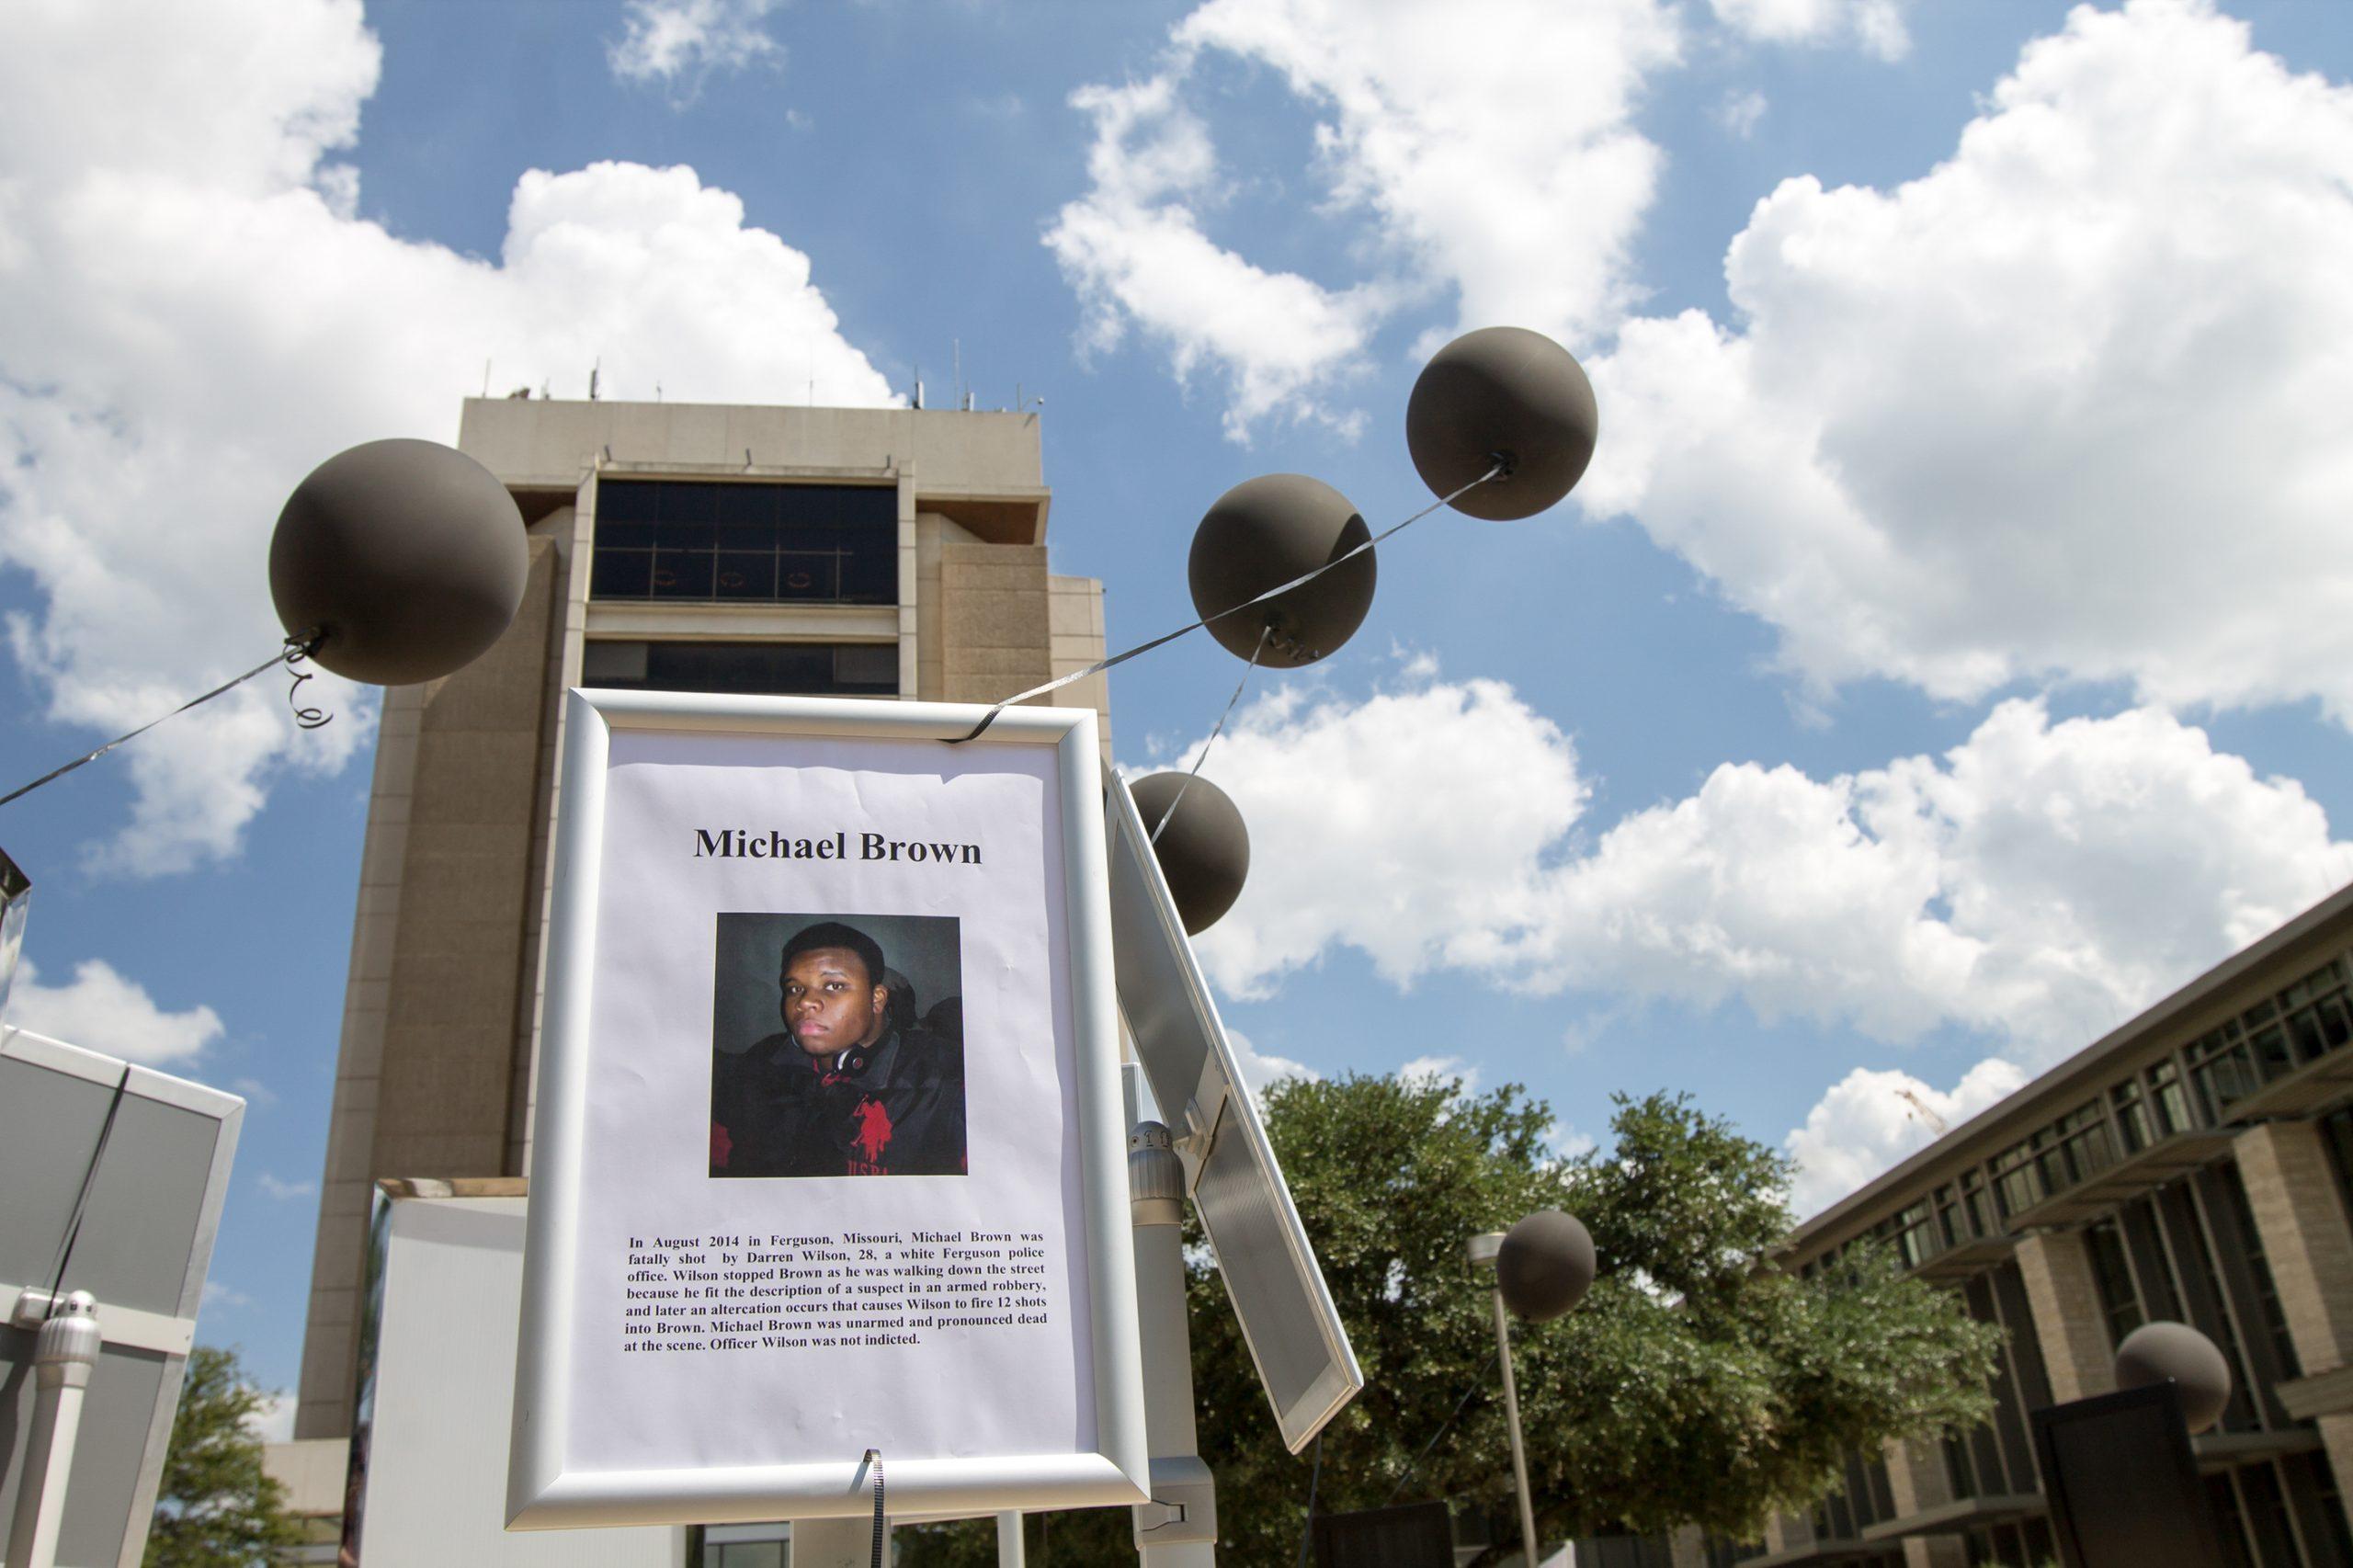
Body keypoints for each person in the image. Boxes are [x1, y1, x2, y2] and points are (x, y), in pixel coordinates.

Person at [710, 920, 965, 1177]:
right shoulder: (759, 1065)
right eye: (795, 988)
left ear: (876, 999)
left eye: (834, 985)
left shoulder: (946, 1083)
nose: (805, 1002)